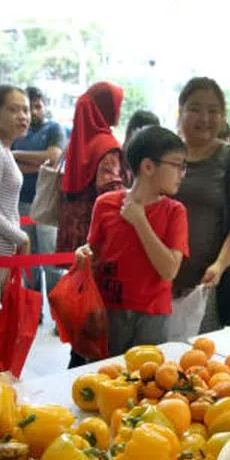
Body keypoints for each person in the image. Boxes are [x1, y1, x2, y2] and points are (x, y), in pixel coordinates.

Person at [75, 125, 189, 355]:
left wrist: (140, 222)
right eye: (178, 165)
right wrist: (83, 253)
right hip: (108, 308)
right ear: (148, 166)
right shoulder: (105, 203)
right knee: (102, 374)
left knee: (145, 381)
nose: (182, 173)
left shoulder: (175, 212)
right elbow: (95, 251)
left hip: (152, 314)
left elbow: (169, 270)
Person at [168, 77, 230, 338]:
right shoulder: (164, 152)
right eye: (195, 109)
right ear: (181, 111)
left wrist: (220, 263)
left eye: (213, 111)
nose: (205, 118)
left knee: (195, 360)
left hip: (206, 284)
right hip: (155, 281)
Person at [56, 81, 126, 255]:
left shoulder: (80, 139)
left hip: (72, 227)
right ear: (106, 107)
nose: (119, 110)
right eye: (117, 104)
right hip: (93, 233)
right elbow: (111, 191)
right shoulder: (106, 145)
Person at [11, 86, 65, 293]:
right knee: (28, 258)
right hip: (21, 201)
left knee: (51, 260)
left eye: (37, 106)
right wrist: (38, 164)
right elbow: (10, 163)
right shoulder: (19, 131)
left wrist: (16, 154)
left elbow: (53, 156)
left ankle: (56, 310)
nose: (32, 112)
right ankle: (32, 311)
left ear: (44, 106)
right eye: (27, 107)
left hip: (47, 202)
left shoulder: (53, 129)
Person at [0, 84, 32, 287]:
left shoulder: (2, 149)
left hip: (3, 249)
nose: (22, 116)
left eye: (25, 110)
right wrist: (22, 238)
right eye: (13, 110)